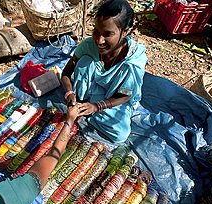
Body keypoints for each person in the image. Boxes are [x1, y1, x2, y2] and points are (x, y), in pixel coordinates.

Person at [61, 0, 148, 143]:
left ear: (124, 32)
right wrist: (70, 93)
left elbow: (125, 94)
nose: (100, 40)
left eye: (108, 34)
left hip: (115, 98)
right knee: (85, 62)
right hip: (92, 91)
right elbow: (66, 72)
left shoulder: (133, 59)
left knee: (120, 133)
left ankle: (89, 110)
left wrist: (96, 107)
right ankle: (82, 104)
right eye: (96, 31)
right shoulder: (88, 46)